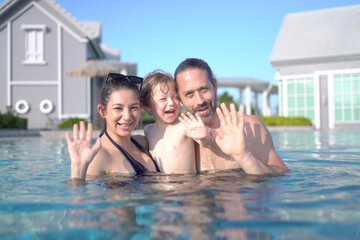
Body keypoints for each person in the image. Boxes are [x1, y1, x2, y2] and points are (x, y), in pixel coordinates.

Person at [174, 58, 289, 175]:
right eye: (189, 94)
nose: (199, 100)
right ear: (179, 98)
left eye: (203, 89)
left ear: (214, 85)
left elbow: (282, 175)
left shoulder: (248, 126)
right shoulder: (176, 137)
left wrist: (243, 155)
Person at [66, 73, 160, 182]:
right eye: (118, 108)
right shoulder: (100, 157)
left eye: (134, 107)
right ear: (103, 111)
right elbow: (82, 197)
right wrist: (77, 171)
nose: (127, 116)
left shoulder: (143, 142)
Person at [140, 70, 212, 174]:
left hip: (185, 186)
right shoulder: (148, 130)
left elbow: (207, 144)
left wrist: (205, 136)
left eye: (175, 97)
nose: (171, 103)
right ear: (147, 106)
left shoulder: (184, 125)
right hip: (158, 187)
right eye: (163, 99)